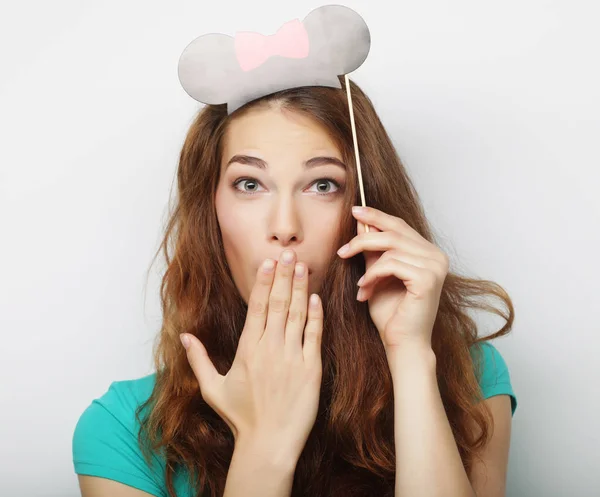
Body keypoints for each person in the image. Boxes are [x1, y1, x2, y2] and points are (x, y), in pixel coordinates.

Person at [72, 78, 518, 497]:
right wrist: (265, 445)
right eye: (250, 184)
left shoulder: (468, 374)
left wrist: (411, 357)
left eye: (322, 185)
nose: (285, 228)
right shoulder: (119, 432)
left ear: (366, 208)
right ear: (211, 211)